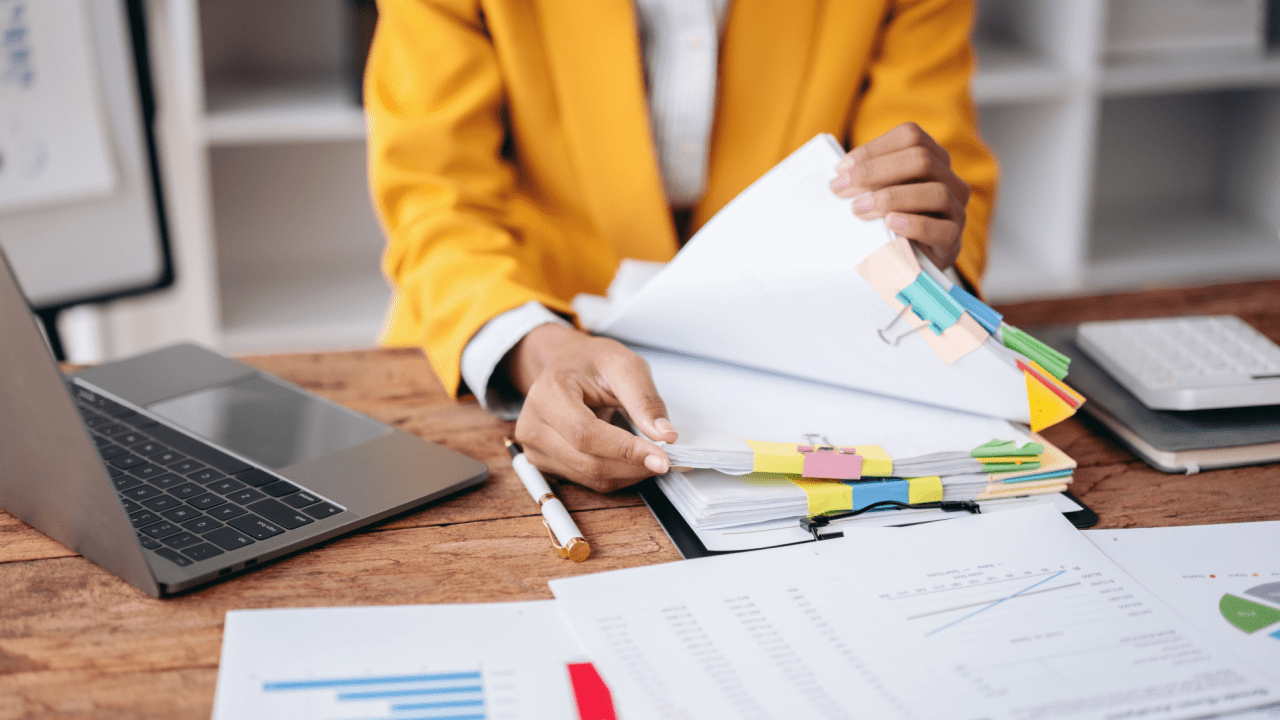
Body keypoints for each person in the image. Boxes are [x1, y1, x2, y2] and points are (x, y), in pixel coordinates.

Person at [366, 0, 997, 492]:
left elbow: (932, 166)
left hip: (804, 359)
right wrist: (542, 350)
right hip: (519, 339)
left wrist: (924, 242)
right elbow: (434, 196)